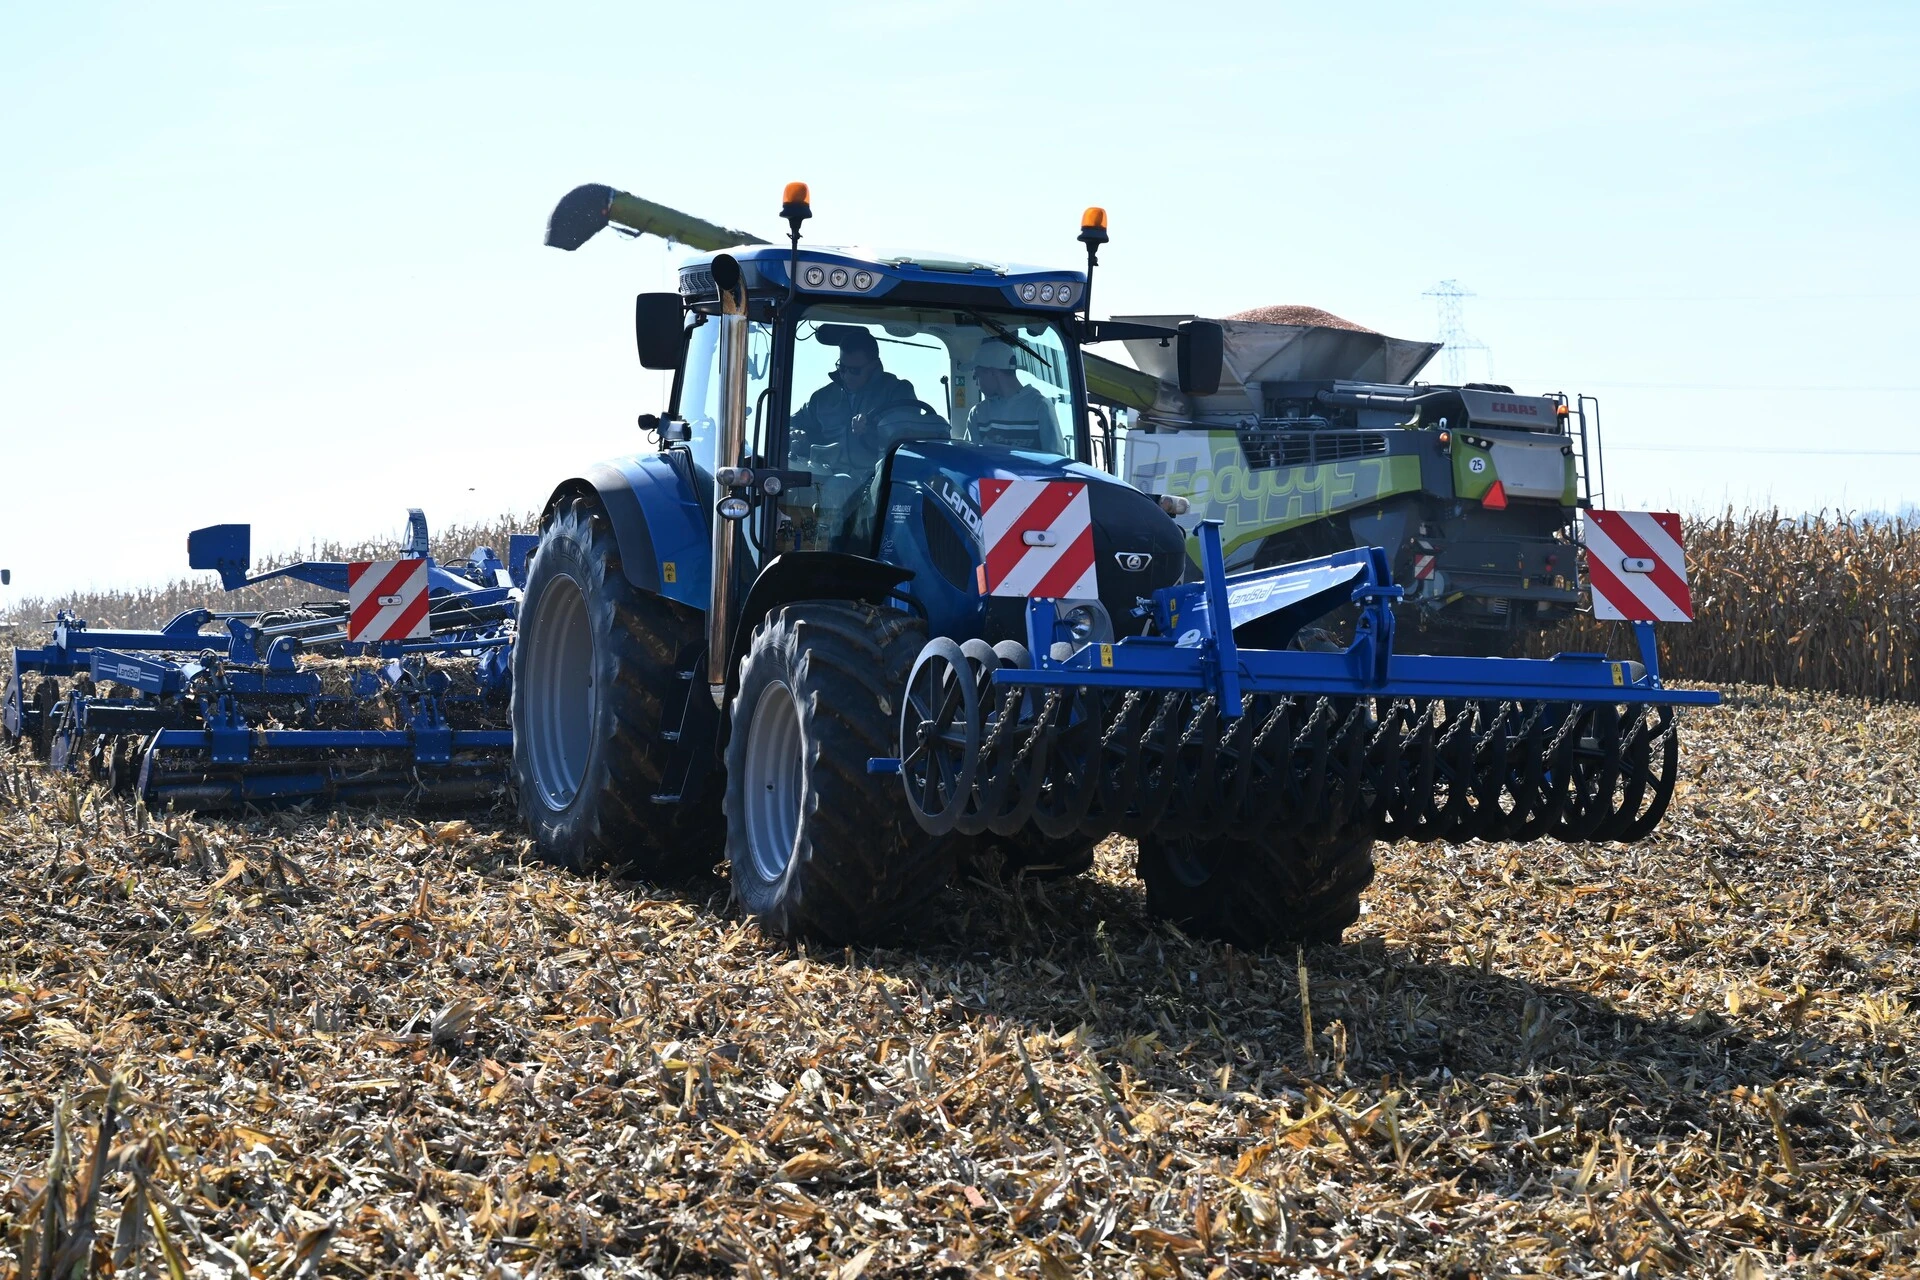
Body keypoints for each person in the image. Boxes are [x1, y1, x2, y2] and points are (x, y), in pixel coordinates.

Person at [788, 325, 920, 474]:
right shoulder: (821, 398)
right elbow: (791, 424)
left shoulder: (897, 391)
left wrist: (871, 429)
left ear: (874, 365)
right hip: (826, 481)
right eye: (842, 368)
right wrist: (796, 434)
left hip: (879, 482)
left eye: (854, 371)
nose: (846, 376)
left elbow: (907, 438)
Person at [965, 338, 1065, 454]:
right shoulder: (977, 414)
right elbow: (970, 457)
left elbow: (1056, 461)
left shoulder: (1040, 407)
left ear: (992, 372)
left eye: (976, 376)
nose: (977, 383)